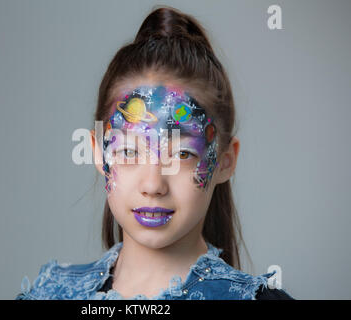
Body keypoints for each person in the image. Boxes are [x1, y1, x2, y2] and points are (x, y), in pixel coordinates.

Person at [16, 6, 294, 300]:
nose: (153, 185)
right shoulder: (48, 294)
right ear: (98, 152)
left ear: (225, 161)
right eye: (128, 151)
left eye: (183, 154)